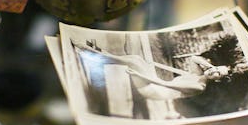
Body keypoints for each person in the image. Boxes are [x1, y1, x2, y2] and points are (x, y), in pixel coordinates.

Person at [71, 39, 230, 100]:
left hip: (154, 90)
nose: (213, 71)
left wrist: (139, 74)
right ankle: (100, 55)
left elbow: (163, 84)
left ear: (217, 80)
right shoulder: (198, 74)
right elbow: (194, 58)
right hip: (155, 84)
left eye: (217, 74)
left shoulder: (198, 86)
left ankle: (93, 53)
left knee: (134, 62)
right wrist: (209, 66)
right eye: (216, 68)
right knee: (136, 59)